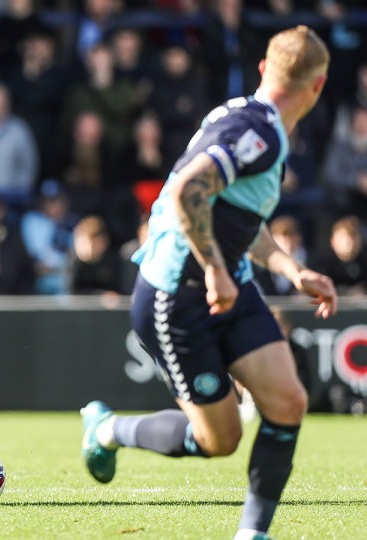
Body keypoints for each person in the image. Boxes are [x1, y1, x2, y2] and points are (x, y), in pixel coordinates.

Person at [79, 27, 338, 540]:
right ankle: (107, 429)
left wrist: (291, 269)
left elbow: (238, 216)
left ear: (265, 69)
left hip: (228, 285)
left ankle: (253, 535)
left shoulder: (254, 120)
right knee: (220, 439)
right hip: (176, 297)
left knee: (287, 401)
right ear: (319, 85)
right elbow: (188, 192)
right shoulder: (260, 134)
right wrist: (216, 269)